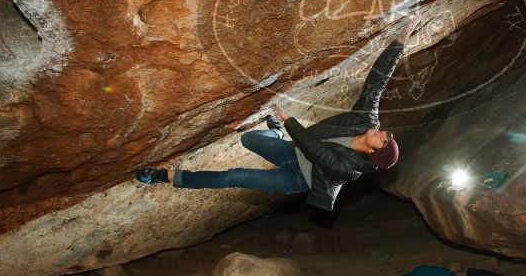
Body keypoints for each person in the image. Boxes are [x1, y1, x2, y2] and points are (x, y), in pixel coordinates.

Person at [135, 15, 420, 211]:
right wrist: (401, 40)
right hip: (294, 150)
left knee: (238, 176)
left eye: (384, 140)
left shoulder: (350, 169)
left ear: (373, 153)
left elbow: (316, 152)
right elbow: (376, 83)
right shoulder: (366, 121)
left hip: (299, 178)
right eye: (388, 135)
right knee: (249, 140)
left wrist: (288, 119)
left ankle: (167, 177)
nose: (383, 133)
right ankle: (274, 133)